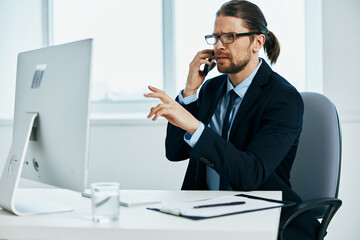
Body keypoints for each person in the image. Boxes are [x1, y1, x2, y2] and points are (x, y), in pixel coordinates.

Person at [145, 0, 319, 239]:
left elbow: (251, 174)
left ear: (257, 41)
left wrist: (195, 126)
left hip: (259, 215)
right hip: (205, 212)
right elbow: (175, 152)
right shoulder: (211, 89)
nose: (218, 46)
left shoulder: (283, 98)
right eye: (215, 37)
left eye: (229, 37)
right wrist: (189, 92)